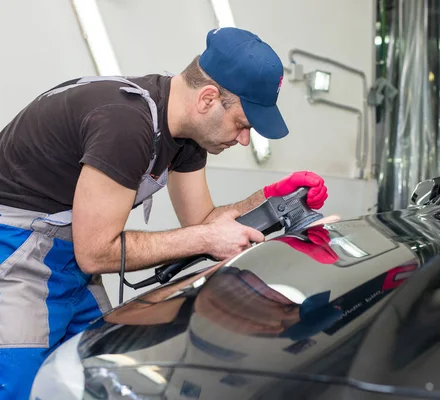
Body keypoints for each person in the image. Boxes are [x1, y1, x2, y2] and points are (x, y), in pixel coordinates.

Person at [0, 27, 329, 398]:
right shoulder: (126, 124)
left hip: (68, 265)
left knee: (93, 374)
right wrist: (206, 237)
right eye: (242, 124)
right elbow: (95, 252)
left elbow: (202, 223)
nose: (243, 139)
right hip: (14, 254)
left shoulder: (186, 137)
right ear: (207, 99)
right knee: (22, 386)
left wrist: (267, 200)